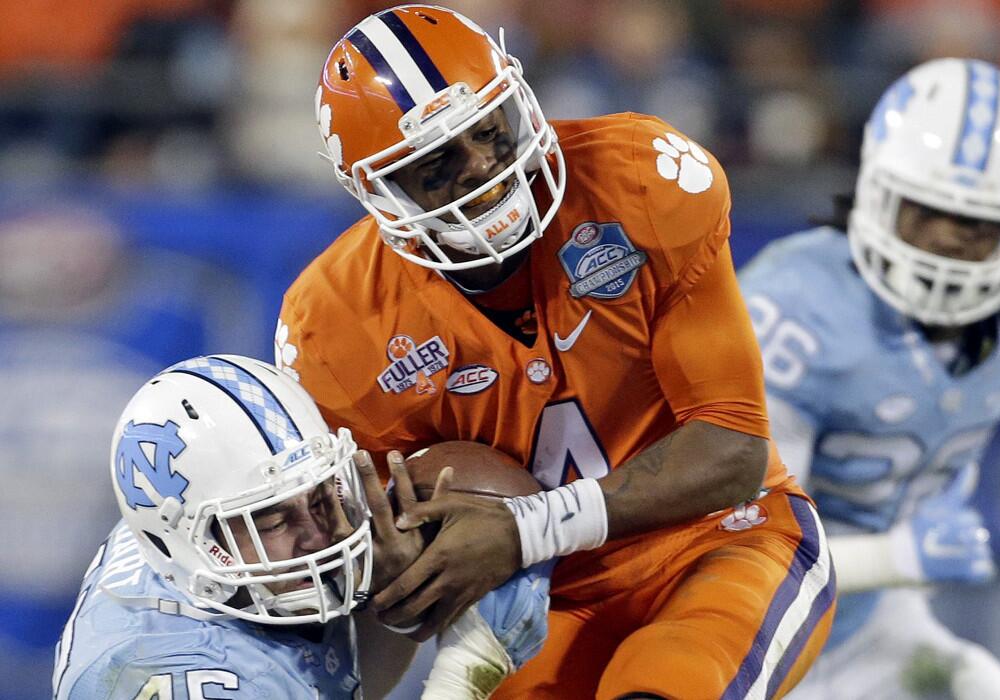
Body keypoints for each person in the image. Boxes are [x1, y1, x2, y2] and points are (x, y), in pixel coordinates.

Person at [277, 5, 835, 698]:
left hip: (723, 539)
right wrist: (396, 573)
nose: (486, 168)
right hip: (541, 603)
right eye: (439, 163)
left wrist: (523, 530)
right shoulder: (335, 321)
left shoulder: (638, 180)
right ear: (378, 192)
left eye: (492, 129)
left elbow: (731, 452)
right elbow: (373, 576)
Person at [737, 58, 1000, 699]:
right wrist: (899, 558)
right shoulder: (795, 309)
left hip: (867, 629)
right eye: (923, 211)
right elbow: (743, 543)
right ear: (875, 190)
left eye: (977, 225)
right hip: (748, 638)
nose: (943, 246)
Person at [51, 354, 550, 699]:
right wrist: (461, 679)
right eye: (270, 519)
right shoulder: (183, 670)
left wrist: (403, 601)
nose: (319, 535)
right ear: (188, 545)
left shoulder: (190, 524)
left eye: (318, 497)